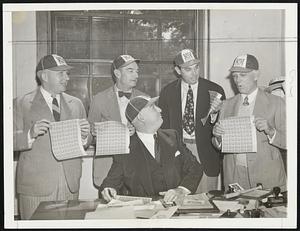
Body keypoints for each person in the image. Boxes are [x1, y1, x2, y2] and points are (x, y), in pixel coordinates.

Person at [13, 54, 90, 219]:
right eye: (60, 73)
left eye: (67, 73)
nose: (67, 78)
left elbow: (87, 141)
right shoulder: (20, 103)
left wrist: (84, 136)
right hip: (36, 186)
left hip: (70, 184)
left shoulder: (76, 103)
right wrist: (30, 134)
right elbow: (8, 141)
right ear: (44, 76)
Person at [100, 95, 203, 202]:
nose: (160, 109)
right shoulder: (125, 148)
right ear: (141, 117)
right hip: (144, 214)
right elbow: (110, 183)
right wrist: (108, 189)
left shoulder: (173, 136)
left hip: (177, 209)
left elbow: (195, 167)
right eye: (153, 107)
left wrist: (181, 190)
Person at [212, 54, 286, 191]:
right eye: (235, 76)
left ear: (256, 75)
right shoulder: (226, 105)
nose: (237, 80)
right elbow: (218, 145)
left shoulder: (276, 103)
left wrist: (271, 131)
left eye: (243, 75)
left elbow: (291, 142)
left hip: (266, 177)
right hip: (234, 177)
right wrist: (217, 137)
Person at [158, 49, 226, 193]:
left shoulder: (215, 90)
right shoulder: (167, 92)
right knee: (181, 199)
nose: (194, 73)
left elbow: (222, 126)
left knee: (206, 201)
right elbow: (164, 128)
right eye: (188, 69)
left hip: (206, 153)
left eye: (196, 67)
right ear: (177, 70)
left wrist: (215, 115)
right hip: (179, 152)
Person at [88, 54, 147, 188]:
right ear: (117, 73)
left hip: (138, 169)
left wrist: (137, 130)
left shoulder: (145, 99)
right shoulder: (98, 100)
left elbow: (153, 136)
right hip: (108, 170)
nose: (136, 75)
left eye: (137, 71)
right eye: (130, 71)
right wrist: (95, 133)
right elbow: (89, 137)